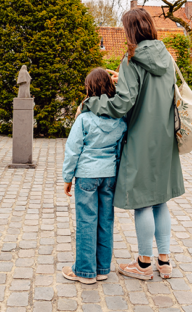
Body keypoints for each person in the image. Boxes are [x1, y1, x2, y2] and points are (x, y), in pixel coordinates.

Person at [81, 7, 184, 281]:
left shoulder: (132, 59)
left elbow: (122, 104)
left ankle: (143, 264)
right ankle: (164, 261)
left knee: (143, 202)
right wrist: (122, 78)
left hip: (141, 137)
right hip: (165, 138)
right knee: (161, 200)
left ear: (130, 31)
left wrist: (93, 102)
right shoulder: (166, 56)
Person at [61, 68, 128, 285]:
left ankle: (84, 271)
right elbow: (120, 150)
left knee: (86, 221)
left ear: (90, 89)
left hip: (87, 176)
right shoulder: (121, 120)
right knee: (105, 221)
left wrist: (67, 177)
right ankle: (102, 269)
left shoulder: (84, 119)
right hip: (109, 175)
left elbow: (73, 150)